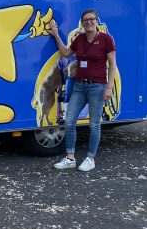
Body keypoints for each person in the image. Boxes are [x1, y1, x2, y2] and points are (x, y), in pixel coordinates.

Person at [49, 10, 118, 172]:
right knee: (69, 121)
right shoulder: (79, 39)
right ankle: (70, 158)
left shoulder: (106, 39)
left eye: (91, 19)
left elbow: (112, 65)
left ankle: (90, 158)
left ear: (96, 21)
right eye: (85, 20)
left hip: (97, 87)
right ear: (82, 22)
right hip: (79, 86)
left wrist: (109, 87)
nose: (89, 22)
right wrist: (56, 35)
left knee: (94, 125)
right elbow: (66, 52)